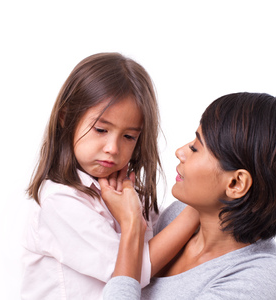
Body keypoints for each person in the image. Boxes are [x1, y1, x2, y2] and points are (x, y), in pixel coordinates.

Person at [100, 92, 276, 299]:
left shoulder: (260, 278)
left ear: (236, 183)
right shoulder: (179, 214)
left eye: (196, 148)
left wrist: (131, 227)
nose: (180, 152)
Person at [21, 52, 199, 299]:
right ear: (66, 118)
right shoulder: (59, 201)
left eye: (128, 136)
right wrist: (199, 209)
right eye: (101, 129)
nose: (113, 148)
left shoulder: (128, 193)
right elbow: (134, 273)